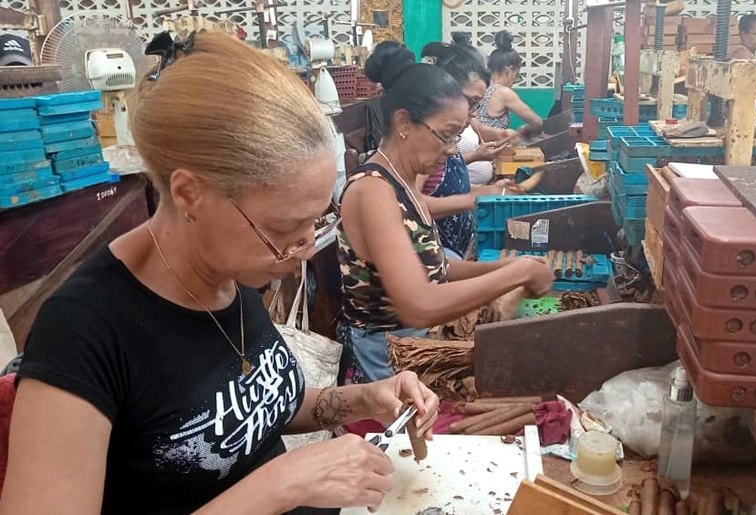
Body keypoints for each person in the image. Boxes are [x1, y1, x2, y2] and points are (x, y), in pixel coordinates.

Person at [0, 30, 440, 515]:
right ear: (190, 193)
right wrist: (278, 486)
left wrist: (364, 399)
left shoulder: (227, 269)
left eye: (315, 222)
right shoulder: (83, 332)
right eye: (283, 226)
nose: (302, 249)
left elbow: (255, 412)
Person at [337, 41, 555, 385]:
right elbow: (418, 304)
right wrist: (516, 275)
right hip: (383, 362)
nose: (453, 149)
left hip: (412, 346)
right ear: (405, 122)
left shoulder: (402, 180)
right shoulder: (372, 190)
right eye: (447, 135)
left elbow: (435, 264)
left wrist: (505, 266)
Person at [418, 39, 518, 259]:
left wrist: (490, 191)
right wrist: (479, 197)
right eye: (471, 102)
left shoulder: (446, 139)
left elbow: (450, 185)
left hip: (458, 249)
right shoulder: (423, 145)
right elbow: (412, 204)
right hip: (438, 256)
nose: (473, 113)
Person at [478, 30, 544, 138]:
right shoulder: (503, 93)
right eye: (516, 75)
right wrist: (526, 130)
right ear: (509, 70)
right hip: (488, 150)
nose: (514, 81)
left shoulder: (479, 87)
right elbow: (537, 122)